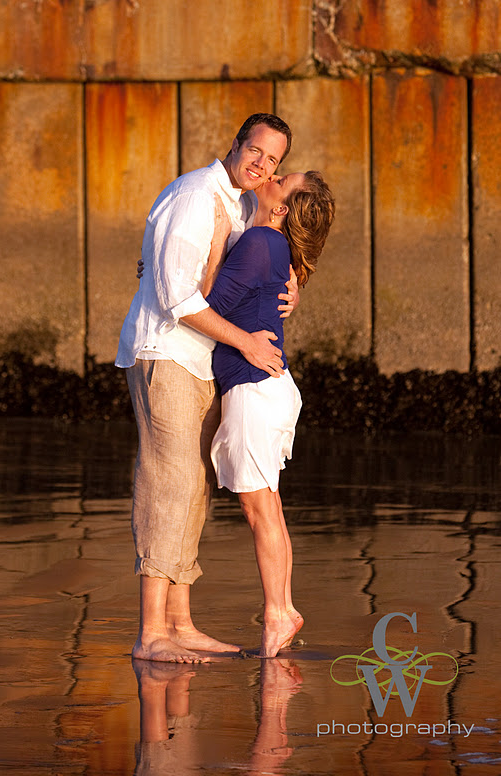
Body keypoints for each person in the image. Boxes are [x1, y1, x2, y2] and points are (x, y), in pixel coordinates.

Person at [116, 114, 298, 664]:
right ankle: (152, 632)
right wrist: (247, 342)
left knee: (192, 487)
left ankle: (181, 622)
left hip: (201, 363)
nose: (262, 165)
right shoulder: (198, 194)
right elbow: (176, 296)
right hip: (165, 354)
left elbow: (241, 273)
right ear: (237, 144)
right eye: (256, 152)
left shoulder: (242, 203)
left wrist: (290, 288)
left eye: (273, 161)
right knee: (168, 481)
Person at [204, 170, 335, 657]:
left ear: (281, 208)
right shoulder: (268, 243)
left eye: (283, 179)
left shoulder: (261, 240)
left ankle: (279, 612)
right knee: (269, 509)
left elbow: (204, 305)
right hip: (268, 389)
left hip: (256, 391)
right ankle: (282, 609)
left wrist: (210, 249)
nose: (272, 174)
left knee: (261, 511)